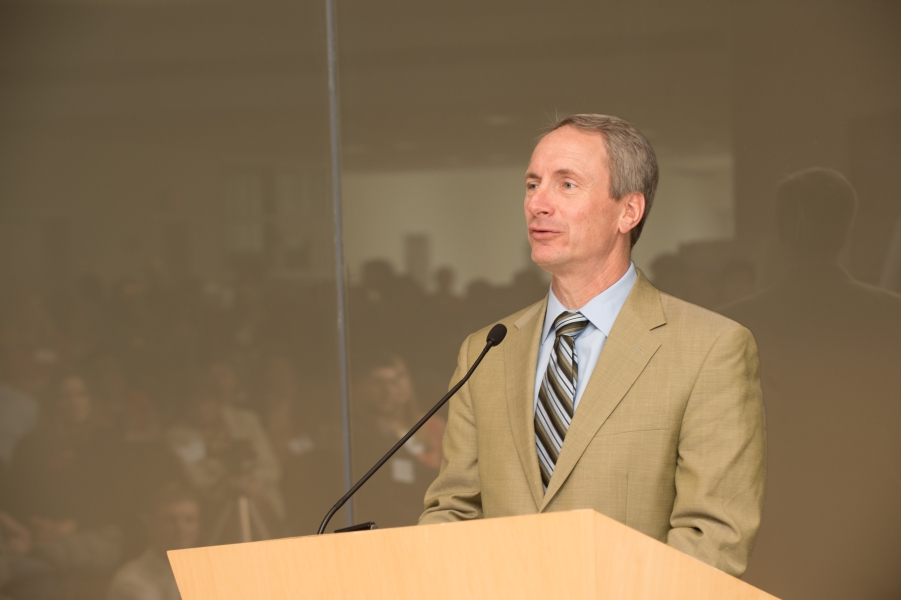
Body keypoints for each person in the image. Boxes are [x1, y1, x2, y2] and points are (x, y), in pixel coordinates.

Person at [419, 114, 766, 578]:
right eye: (532, 184)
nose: (538, 203)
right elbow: (453, 511)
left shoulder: (711, 349)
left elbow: (712, 539)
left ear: (629, 211)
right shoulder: (485, 350)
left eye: (566, 185)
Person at [722, 168, 901, 599]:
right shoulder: (891, 318)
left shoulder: (729, 327)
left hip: (771, 550)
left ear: (780, 232)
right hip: (875, 548)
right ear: (848, 230)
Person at [352, 352, 445, 528]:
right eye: (378, 383)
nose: (387, 391)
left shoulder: (433, 425)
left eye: (394, 382)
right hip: (391, 522)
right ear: (362, 387)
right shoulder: (363, 434)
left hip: (435, 518)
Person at [107, 483, 200, 600]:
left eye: (189, 520)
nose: (181, 529)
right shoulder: (130, 582)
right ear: (150, 525)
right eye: (170, 520)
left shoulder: (205, 575)